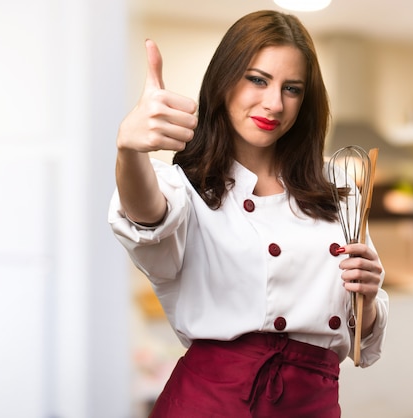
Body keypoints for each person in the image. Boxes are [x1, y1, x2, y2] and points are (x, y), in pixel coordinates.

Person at [109, 9, 389, 418]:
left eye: (292, 88)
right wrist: (129, 149)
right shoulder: (185, 184)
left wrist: (367, 297)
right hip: (210, 404)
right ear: (224, 81)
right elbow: (147, 216)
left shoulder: (338, 190)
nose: (274, 103)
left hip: (313, 405)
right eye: (257, 80)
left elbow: (362, 339)